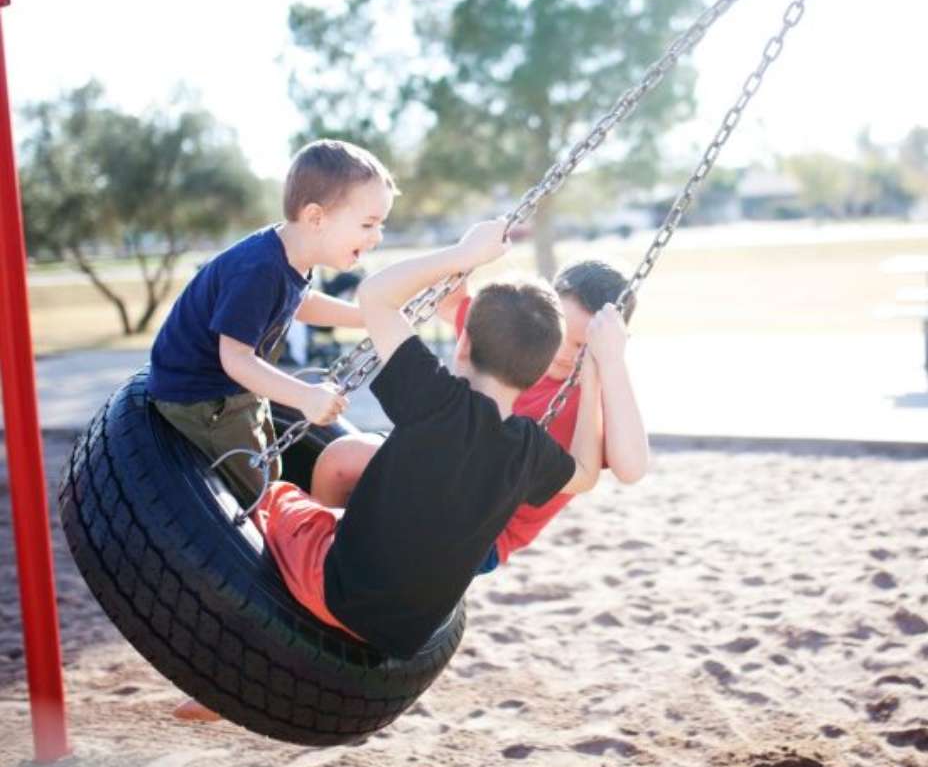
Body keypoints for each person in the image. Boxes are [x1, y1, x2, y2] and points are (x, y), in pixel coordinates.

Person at [254, 219, 608, 652]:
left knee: (267, 498)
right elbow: (588, 473)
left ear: (462, 346)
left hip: (336, 595)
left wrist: (463, 256)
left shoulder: (433, 395)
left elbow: (375, 295)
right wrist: (592, 375)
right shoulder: (530, 449)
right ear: (540, 372)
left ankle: (263, 637)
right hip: (407, 638)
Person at [309, 259, 649, 574]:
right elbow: (450, 303)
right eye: (563, 335)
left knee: (378, 495)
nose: (565, 352)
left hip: (482, 530)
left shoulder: (596, 399)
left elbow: (631, 468)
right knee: (340, 461)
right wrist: (466, 259)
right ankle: (321, 551)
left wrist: (609, 365)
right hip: (433, 469)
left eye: (585, 346)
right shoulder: (516, 337)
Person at [147, 139, 395, 502]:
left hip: (231, 390)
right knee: (255, 489)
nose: (377, 237)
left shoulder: (290, 254)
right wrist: (305, 396)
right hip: (202, 398)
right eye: (368, 224)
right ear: (316, 218)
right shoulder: (259, 269)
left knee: (271, 466)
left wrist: (365, 318)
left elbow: (301, 301)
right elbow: (235, 358)